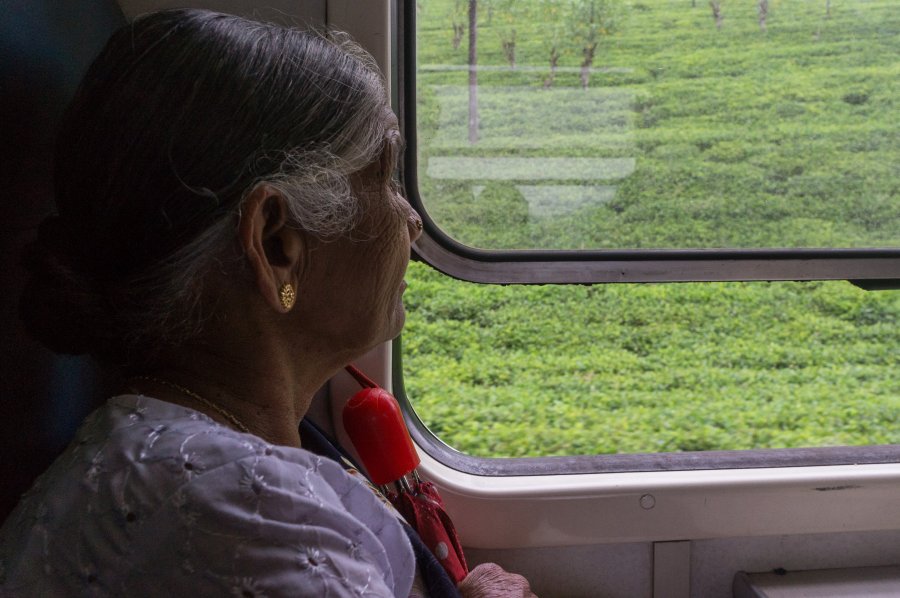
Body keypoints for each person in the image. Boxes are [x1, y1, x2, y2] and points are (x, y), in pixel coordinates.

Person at [0, 9, 535, 598]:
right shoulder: (248, 520)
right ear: (277, 244)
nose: (412, 223)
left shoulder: (194, 460)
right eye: (385, 177)